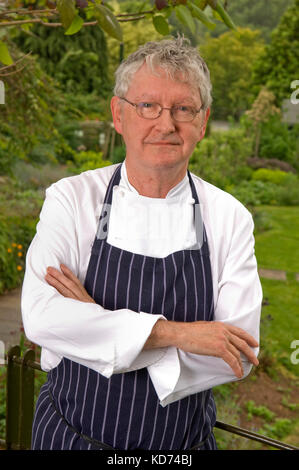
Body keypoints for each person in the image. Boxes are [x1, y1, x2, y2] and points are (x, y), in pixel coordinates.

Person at [21, 36, 262, 451]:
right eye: (147, 106)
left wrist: (93, 323)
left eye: (183, 109)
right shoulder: (72, 198)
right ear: (119, 114)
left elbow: (236, 351)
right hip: (67, 436)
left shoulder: (229, 217)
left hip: (180, 449)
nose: (165, 124)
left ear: (202, 122)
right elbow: (43, 319)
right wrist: (180, 334)